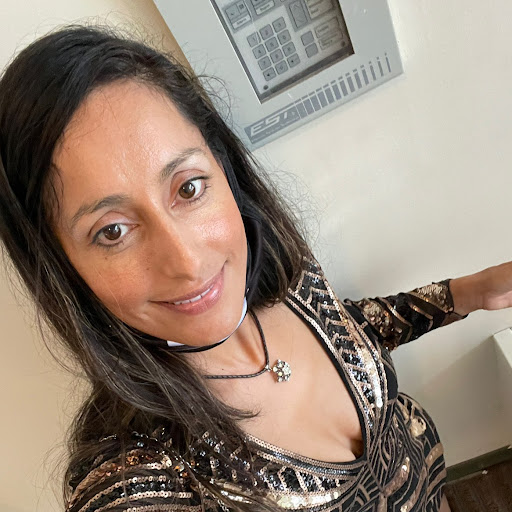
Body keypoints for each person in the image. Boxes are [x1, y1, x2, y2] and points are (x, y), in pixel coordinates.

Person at [1, 26, 511, 512]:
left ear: (223, 168)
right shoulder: (140, 479)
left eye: (188, 188)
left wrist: (469, 293)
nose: (188, 262)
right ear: (61, 268)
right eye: (112, 231)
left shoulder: (288, 279)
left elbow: (350, 332)